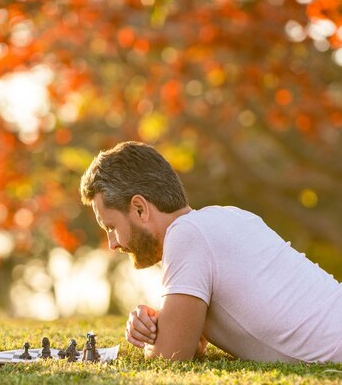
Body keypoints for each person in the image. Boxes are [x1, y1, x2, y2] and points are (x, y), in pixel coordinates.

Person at [79, 141, 342, 362]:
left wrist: (156, 339)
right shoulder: (229, 218)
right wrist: (160, 323)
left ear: (139, 208)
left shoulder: (187, 236)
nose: (112, 243)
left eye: (111, 226)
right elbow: (193, 342)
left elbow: (169, 356)